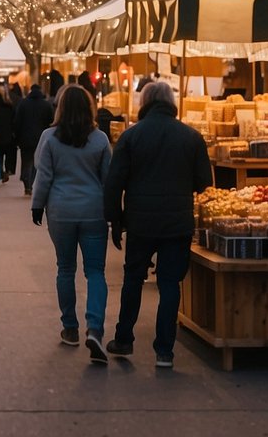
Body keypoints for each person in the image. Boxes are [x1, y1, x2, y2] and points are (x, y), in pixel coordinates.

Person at [102, 81, 212, 368]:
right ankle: (165, 351)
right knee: (170, 283)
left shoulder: (131, 137)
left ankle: (124, 339)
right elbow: (205, 183)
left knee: (133, 279)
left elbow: (114, 183)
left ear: (145, 101)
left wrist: (115, 219)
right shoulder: (191, 137)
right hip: (177, 222)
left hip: (140, 220)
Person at [31, 85, 113, 363]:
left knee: (65, 268)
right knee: (96, 271)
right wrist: (114, 211)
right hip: (93, 210)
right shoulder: (100, 139)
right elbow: (108, 178)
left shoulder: (50, 138)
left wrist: (37, 205)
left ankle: (70, 327)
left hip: (61, 210)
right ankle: (95, 328)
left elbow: (43, 175)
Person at [14, 84, 54, 197]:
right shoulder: (46, 105)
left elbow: (17, 122)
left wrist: (17, 137)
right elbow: (51, 122)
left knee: (26, 161)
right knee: (37, 163)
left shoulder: (23, 103)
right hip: (41, 138)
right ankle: (32, 183)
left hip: (25, 138)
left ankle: (27, 184)